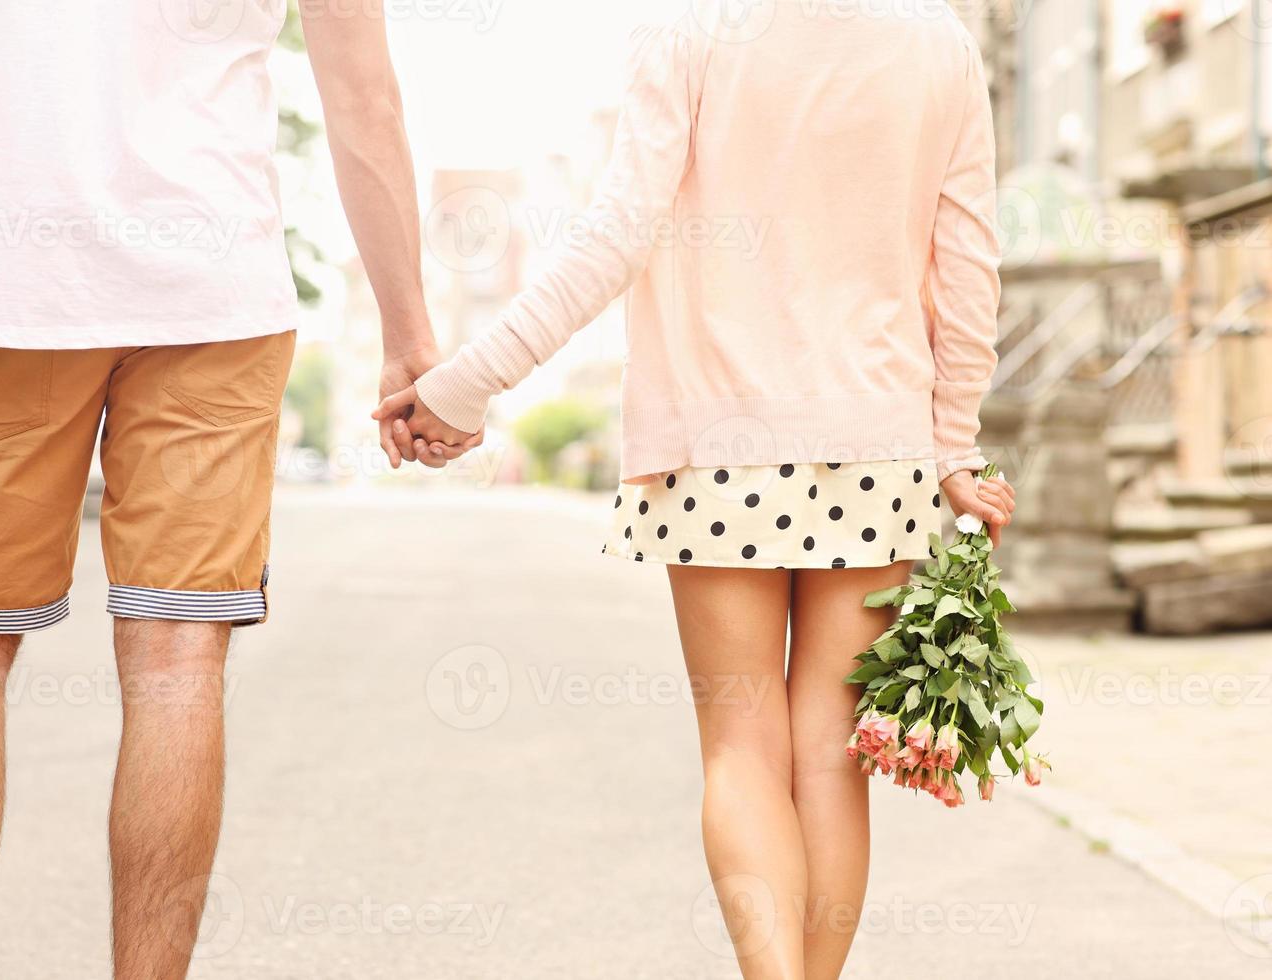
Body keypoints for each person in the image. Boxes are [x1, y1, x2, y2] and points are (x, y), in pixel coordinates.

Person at [375, 3, 1017, 977]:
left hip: (718, 449)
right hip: (880, 447)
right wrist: (956, 445)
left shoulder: (690, 29)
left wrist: (463, 383)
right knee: (830, 761)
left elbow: (610, 239)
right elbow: (968, 268)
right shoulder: (940, 45)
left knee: (742, 750)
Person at [0, 1, 459, 976]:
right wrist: (409, 336)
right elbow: (363, 96)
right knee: (176, 663)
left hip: (14, 285)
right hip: (213, 287)